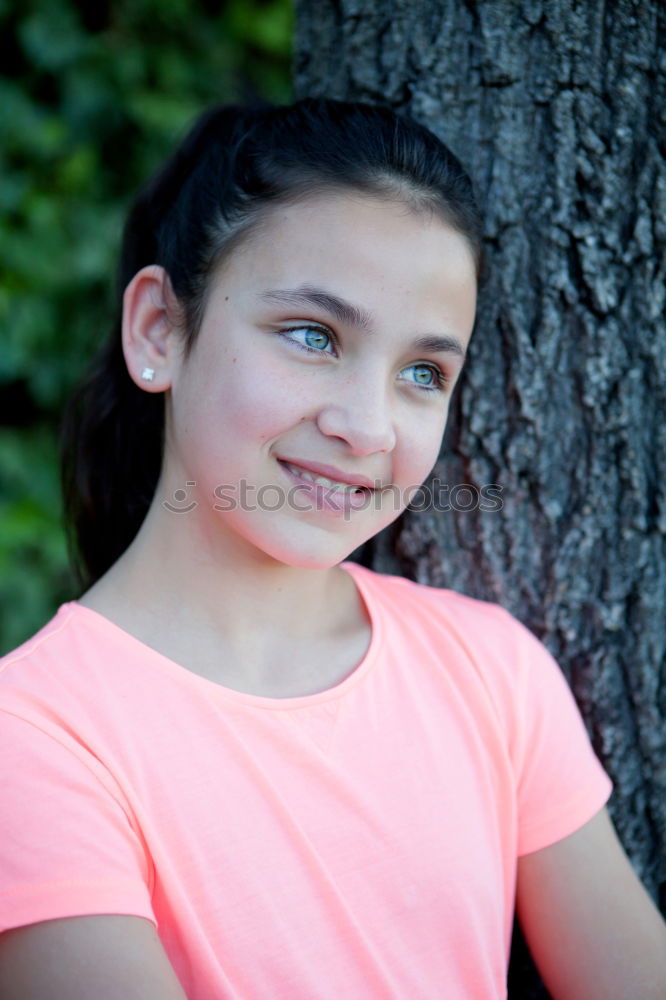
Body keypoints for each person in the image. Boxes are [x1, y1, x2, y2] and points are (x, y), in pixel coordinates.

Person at [0, 99, 664, 1000]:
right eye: (313, 336)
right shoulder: (35, 740)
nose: (366, 426)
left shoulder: (489, 669)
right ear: (160, 329)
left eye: (423, 374)